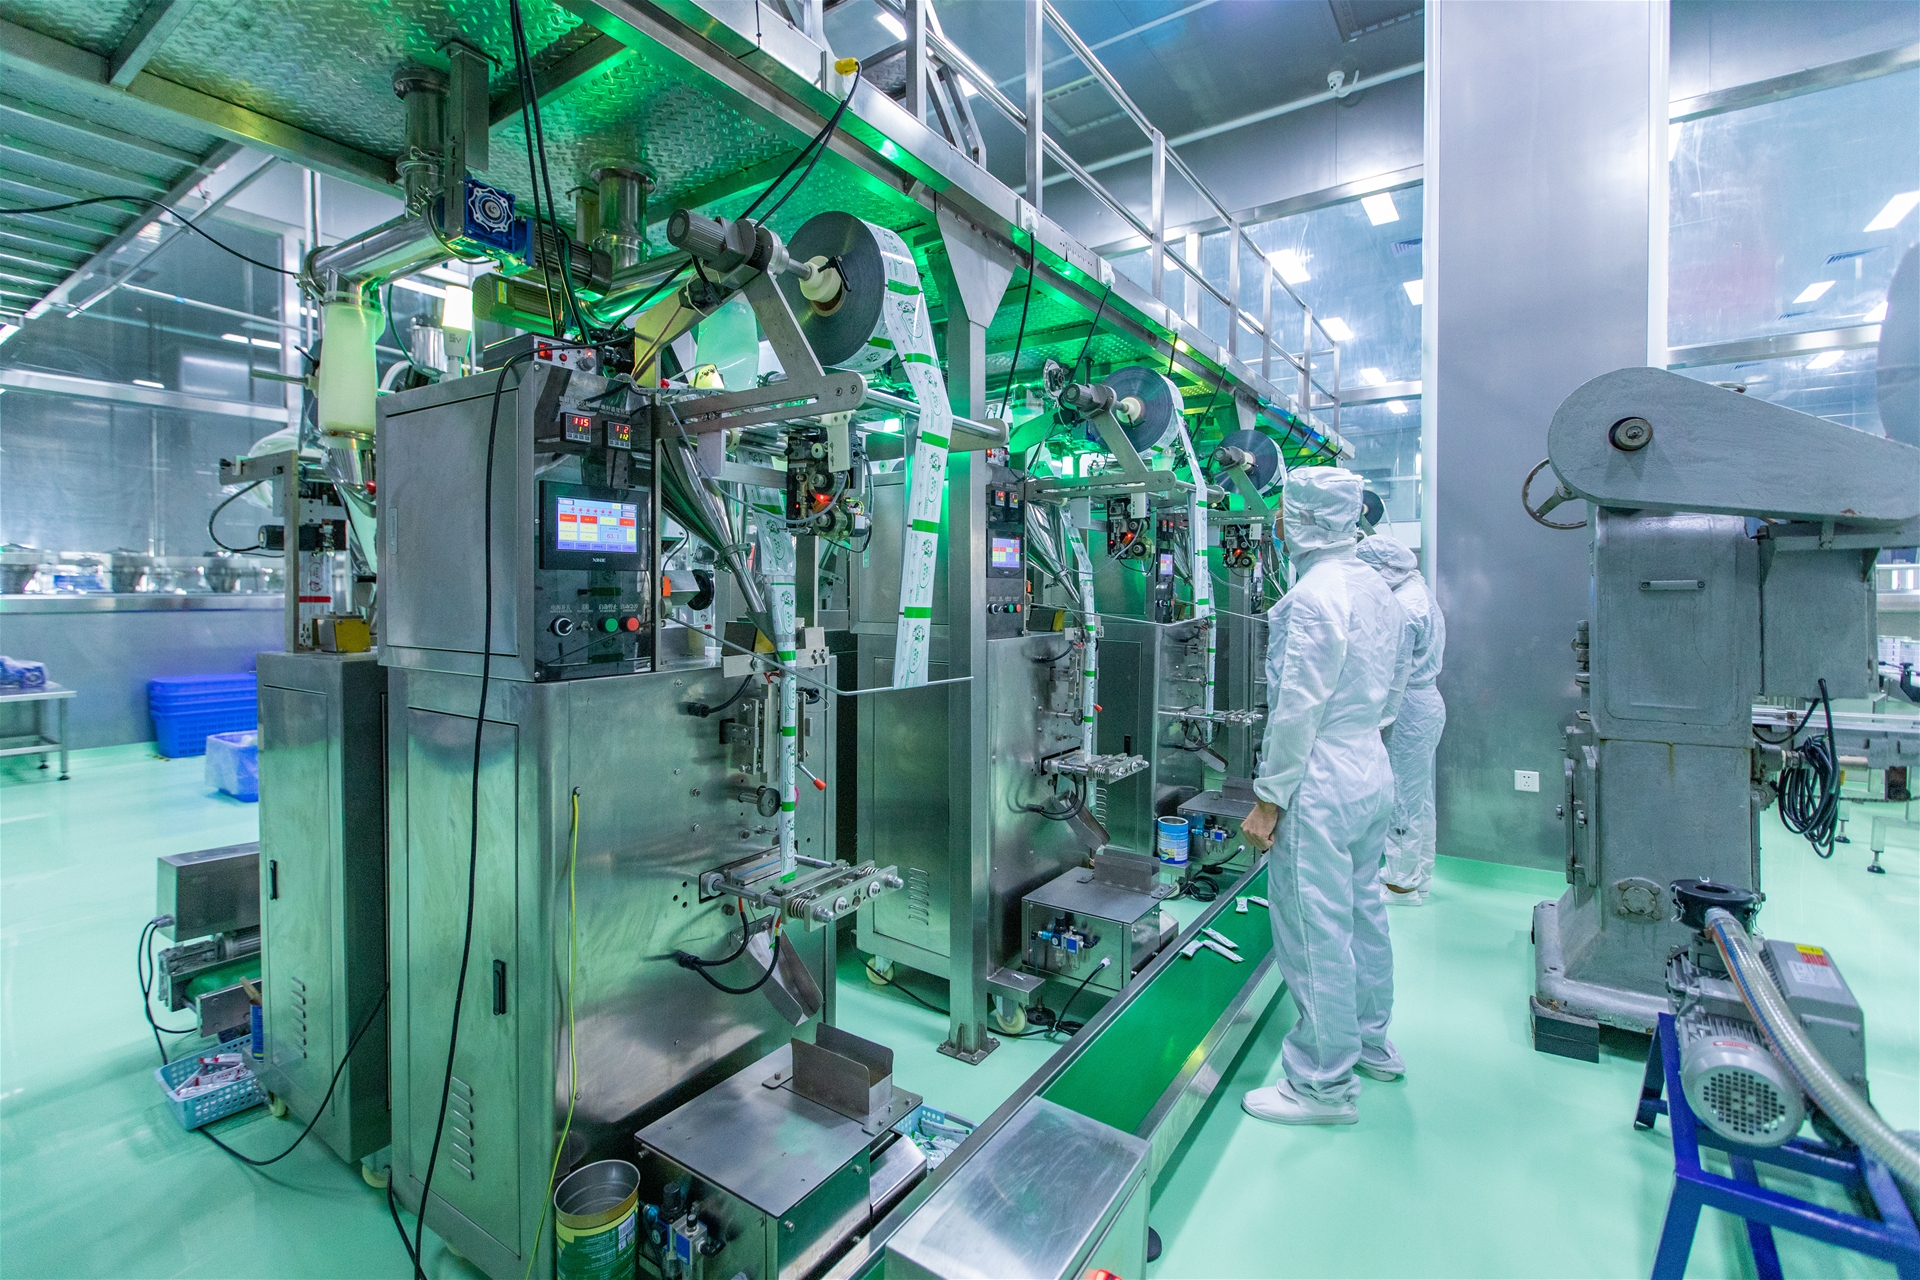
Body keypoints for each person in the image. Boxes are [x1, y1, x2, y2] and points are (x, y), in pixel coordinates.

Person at [1239, 467, 1409, 1126]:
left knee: (1315, 928)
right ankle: (1371, 1042)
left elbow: (1296, 710)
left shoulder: (1309, 599)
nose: (1277, 519)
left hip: (1320, 778)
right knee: (1364, 912)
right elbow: (1394, 685)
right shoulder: (1376, 588)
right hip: (1369, 764)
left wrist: (1269, 800)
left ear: (1301, 520)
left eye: (1284, 509)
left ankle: (1322, 1085)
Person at [1357, 535, 1447, 906]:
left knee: (1401, 800)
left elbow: (1395, 674)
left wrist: (1376, 722)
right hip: (1424, 704)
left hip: (1408, 708)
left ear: (1384, 569)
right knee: (1418, 797)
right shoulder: (1418, 592)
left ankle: (1400, 885)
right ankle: (1417, 876)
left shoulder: (1405, 608)